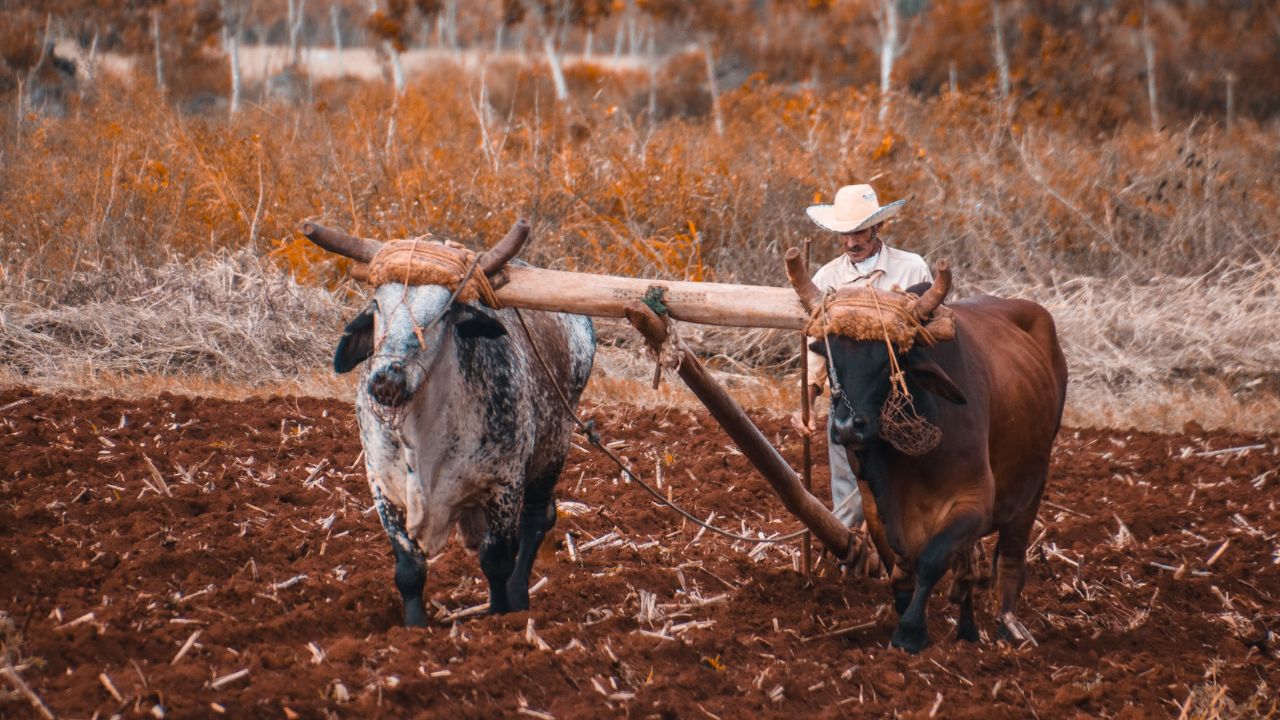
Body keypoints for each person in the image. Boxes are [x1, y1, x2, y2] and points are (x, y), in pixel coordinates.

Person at [791, 184, 932, 529]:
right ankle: (849, 561)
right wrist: (806, 402)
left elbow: (931, 341)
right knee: (851, 502)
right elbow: (817, 349)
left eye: (860, 232)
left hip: (902, 404)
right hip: (848, 403)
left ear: (878, 228)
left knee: (907, 497)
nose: (852, 241)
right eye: (845, 233)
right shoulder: (826, 279)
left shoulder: (912, 270)